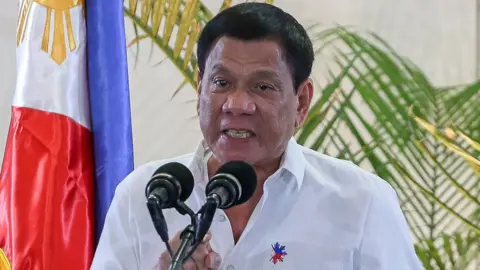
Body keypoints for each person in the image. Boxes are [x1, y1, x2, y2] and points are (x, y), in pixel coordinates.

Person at [90, 3, 423, 270]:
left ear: (301, 101)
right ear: (200, 89)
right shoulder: (144, 197)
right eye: (221, 83)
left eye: (262, 87)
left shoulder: (361, 203)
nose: (237, 105)